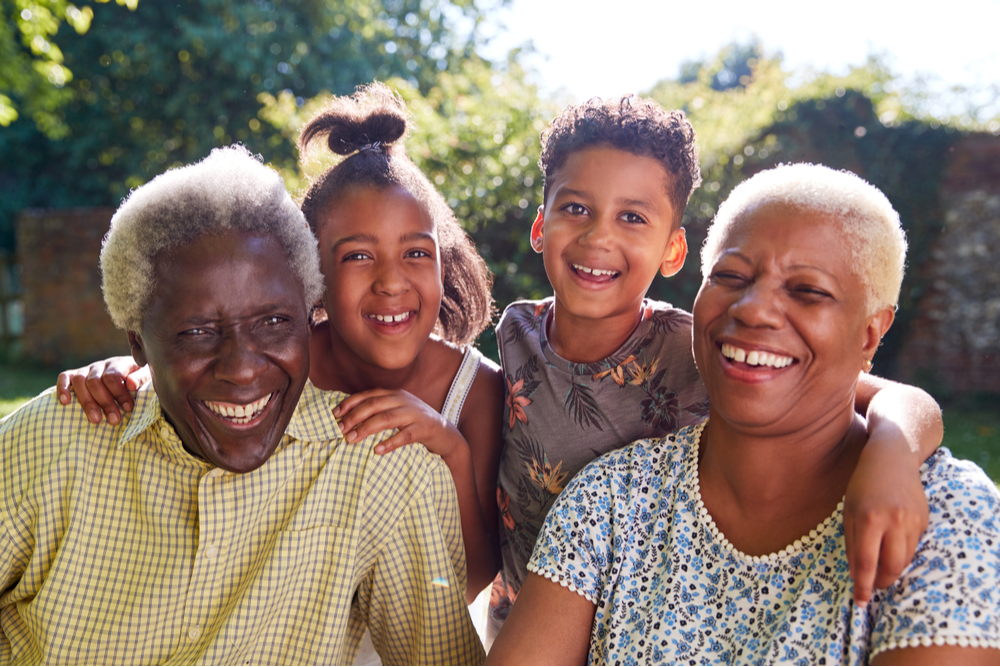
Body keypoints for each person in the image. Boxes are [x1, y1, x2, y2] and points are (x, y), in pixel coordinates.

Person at [487, 163, 1000, 665]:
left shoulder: (938, 514)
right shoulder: (609, 500)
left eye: (808, 291)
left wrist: (892, 447)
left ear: (870, 333)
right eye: (730, 276)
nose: (753, 309)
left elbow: (896, 399)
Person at [1, 146, 485, 665]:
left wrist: (454, 453)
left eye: (273, 323)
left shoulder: (385, 468)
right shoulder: (53, 439)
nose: (242, 368)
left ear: (306, 314)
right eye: (196, 332)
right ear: (138, 344)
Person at [56, 84, 506, 608]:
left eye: (416, 253)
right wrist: (125, 372)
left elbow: (470, 582)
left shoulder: (475, 390)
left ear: (441, 259)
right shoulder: (278, 364)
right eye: (358, 257)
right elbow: (193, 368)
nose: (392, 282)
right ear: (308, 273)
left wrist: (448, 446)